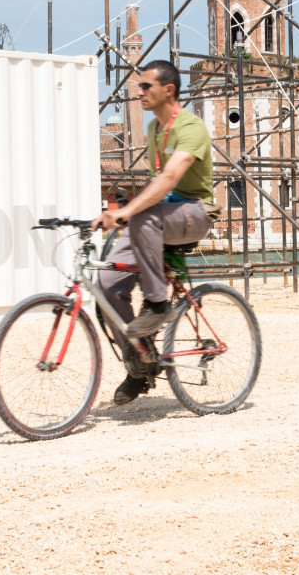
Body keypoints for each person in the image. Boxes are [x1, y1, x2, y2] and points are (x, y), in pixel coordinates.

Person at [90, 59, 214, 405]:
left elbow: (171, 179)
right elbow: (155, 183)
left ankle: (157, 303)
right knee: (107, 285)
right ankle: (141, 365)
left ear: (168, 90)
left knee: (142, 219)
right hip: (162, 214)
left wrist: (128, 211)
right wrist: (119, 214)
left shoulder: (191, 127)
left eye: (146, 86)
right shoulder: (154, 130)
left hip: (196, 211)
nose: (139, 91)